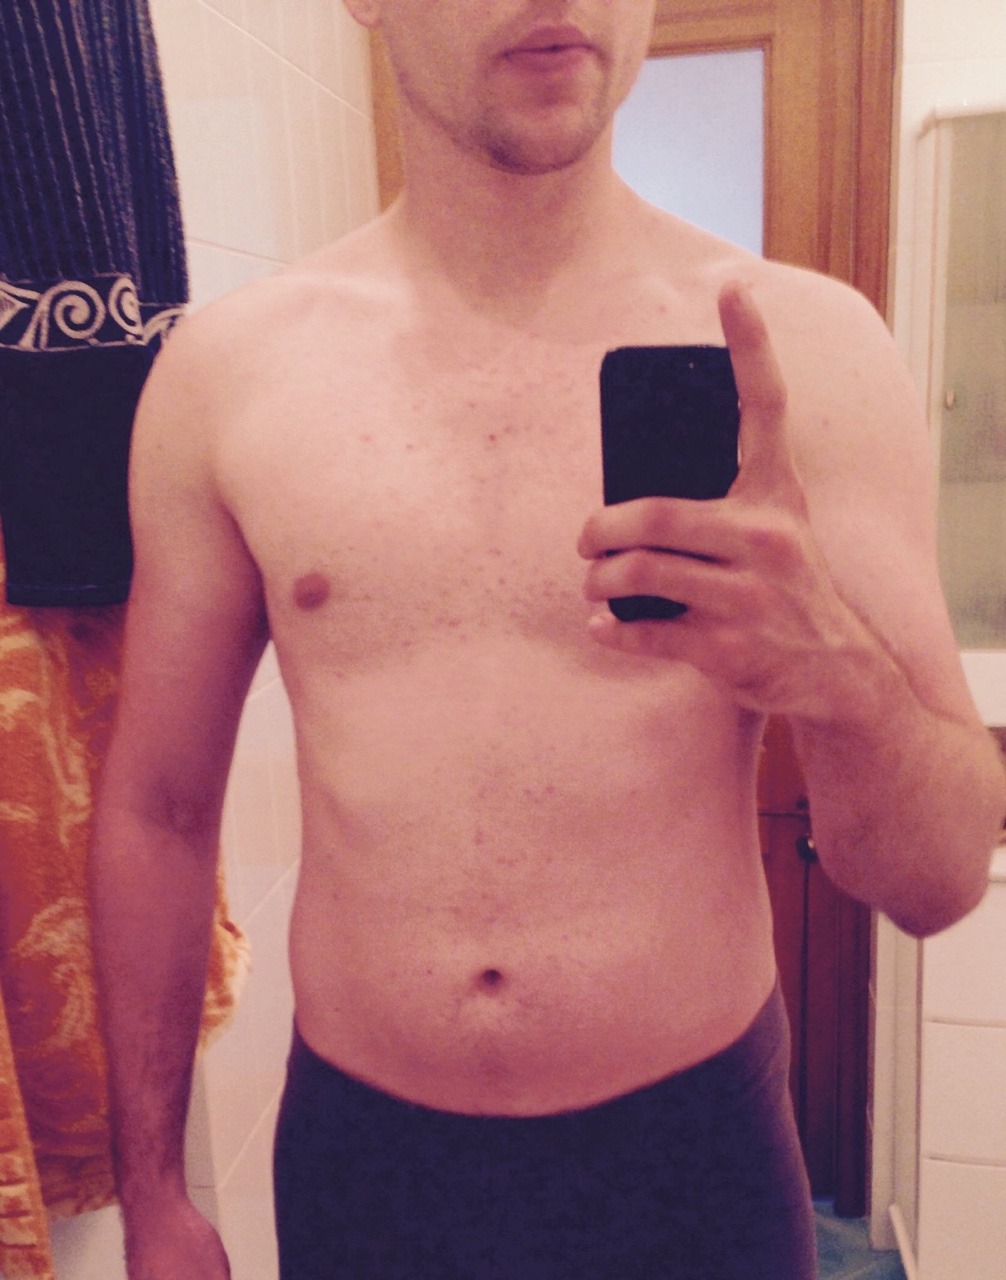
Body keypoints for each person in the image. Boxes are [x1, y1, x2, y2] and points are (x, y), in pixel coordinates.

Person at [89, 2, 1006, 1278]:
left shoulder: (814, 351)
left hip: (691, 1163)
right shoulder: (226, 377)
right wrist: (153, 1191)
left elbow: (939, 878)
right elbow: (159, 806)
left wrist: (835, 672)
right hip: (369, 1165)